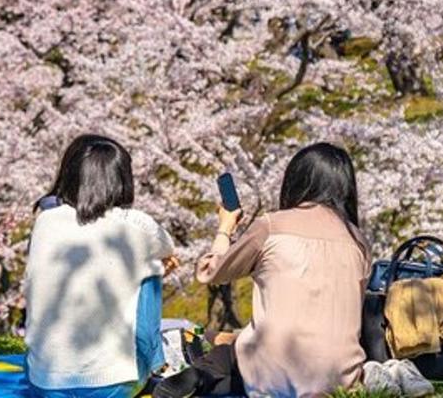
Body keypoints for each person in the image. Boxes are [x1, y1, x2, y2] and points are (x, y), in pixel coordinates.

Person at [154, 143, 369, 398]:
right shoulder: (358, 241)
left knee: (231, 350)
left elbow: (211, 272)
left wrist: (226, 225)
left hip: (274, 373)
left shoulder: (273, 226)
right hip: (340, 376)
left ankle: (195, 375)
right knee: (236, 342)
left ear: (296, 181)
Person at [24, 134, 176, 398]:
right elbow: (168, 247)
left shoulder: (45, 220)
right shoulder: (136, 224)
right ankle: (155, 366)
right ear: (122, 179)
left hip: (43, 380)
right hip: (111, 383)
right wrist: (158, 263)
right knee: (152, 265)